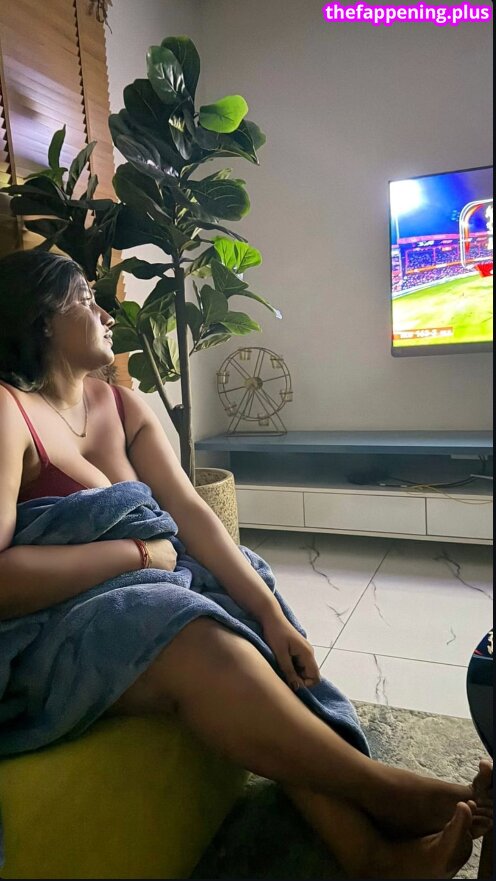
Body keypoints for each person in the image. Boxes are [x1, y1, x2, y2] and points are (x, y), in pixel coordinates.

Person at [0, 249, 492, 880]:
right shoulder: (9, 412)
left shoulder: (121, 405)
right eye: (86, 300)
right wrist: (136, 553)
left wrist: (269, 613)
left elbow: (189, 512)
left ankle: (369, 855)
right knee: (190, 629)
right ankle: (392, 793)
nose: (105, 313)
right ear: (44, 318)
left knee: (247, 617)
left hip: (145, 596)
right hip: (50, 633)